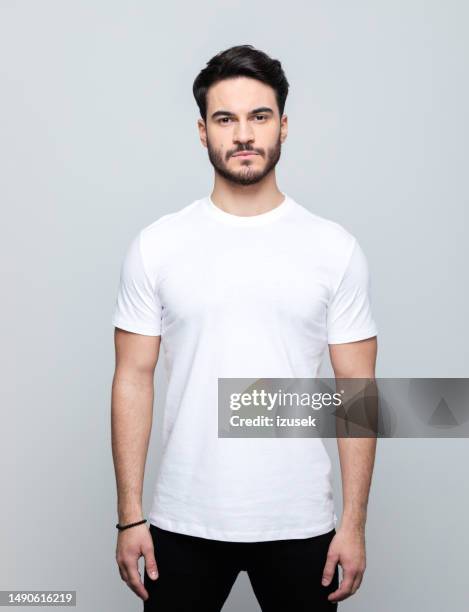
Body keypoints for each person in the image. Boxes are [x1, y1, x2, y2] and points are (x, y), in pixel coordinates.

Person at [111, 44, 378, 611]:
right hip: (182, 519)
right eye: (225, 118)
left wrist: (352, 523)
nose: (243, 134)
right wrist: (129, 516)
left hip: (301, 519)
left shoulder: (334, 249)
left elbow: (357, 394)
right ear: (202, 130)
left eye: (259, 116)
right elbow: (132, 377)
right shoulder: (157, 246)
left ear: (283, 125)